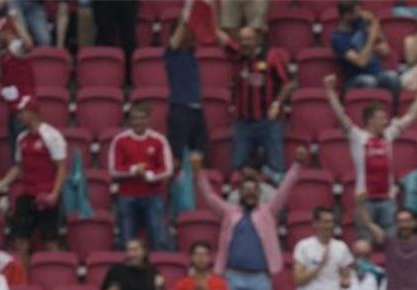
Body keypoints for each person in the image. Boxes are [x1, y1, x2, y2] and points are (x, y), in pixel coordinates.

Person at [192, 148, 308, 290]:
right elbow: (209, 197)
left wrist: (297, 165)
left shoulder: (268, 212)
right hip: (232, 277)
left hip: (259, 279)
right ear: (240, 193)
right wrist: (198, 172)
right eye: (246, 189)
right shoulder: (229, 213)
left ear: (259, 193)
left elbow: (284, 190)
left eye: (254, 190)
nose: (250, 193)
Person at [324, 74, 417, 241]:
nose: (385, 121)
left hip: (387, 199)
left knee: (392, 243)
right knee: (365, 243)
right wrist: (330, 92)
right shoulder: (358, 137)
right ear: (370, 120)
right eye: (381, 118)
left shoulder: (388, 135)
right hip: (365, 200)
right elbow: (341, 116)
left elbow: (411, 116)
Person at [0, 96, 69, 263]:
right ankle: (24, 276)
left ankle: (58, 273)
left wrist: (55, 193)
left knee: (50, 241)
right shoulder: (22, 138)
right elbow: (18, 167)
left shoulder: (51, 135)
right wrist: (0, 185)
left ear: (33, 113)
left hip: (46, 194)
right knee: (20, 240)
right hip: (27, 193)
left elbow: (61, 167)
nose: (19, 116)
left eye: (22, 113)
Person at [217, 24, 295, 180]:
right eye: (242, 39)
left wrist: (277, 103)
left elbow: (289, 83)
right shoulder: (238, 55)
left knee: (276, 169)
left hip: (268, 123)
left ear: (257, 40)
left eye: (248, 39)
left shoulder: (272, 56)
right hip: (243, 124)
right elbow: (223, 39)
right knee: (238, 168)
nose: (244, 43)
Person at [107, 102, 174, 251]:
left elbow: (167, 169)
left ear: (148, 119)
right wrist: (134, 170)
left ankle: (160, 263)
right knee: (126, 239)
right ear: (130, 120)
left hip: (153, 195)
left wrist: (149, 174)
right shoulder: (119, 140)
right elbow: (113, 169)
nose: (138, 121)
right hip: (126, 196)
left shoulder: (159, 140)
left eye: (141, 118)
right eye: (134, 118)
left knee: (158, 238)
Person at [165, 8, 209, 163]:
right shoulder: (172, 54)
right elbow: (176, 38)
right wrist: (188, 10)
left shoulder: (192, 55)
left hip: (197, 109)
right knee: (180, 155)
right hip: (180, 109)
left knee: (200, 153)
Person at [0, 12, 36, 146]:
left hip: (24, 105)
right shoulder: (3, 52)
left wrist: (16, 22)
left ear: (6, 33)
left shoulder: (15, 46)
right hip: (12, 106)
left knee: (21, 144)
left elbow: (28, 44)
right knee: (14, 145)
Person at [332, 1, 399, 94]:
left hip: (377, 73)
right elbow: (361, 62)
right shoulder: (338, 39)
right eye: (357, 12)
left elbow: (386, 52)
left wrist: (373, 22)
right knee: (369, 81)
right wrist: (371, 39)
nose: (360, 14)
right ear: (347, 15)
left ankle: (393, 103)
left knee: (392, 77)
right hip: (355, 79)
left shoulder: (361, 25)